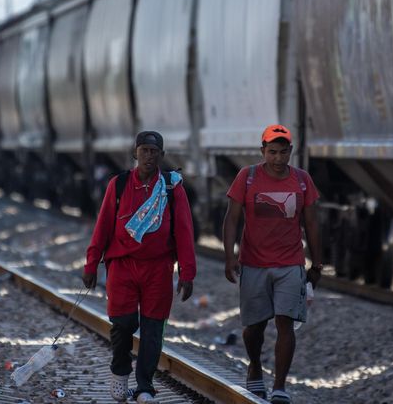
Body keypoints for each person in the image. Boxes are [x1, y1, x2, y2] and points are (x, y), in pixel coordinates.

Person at [83, 131, 196, 404]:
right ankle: (120, 369)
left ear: (162, 156)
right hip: (123, 265)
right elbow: (102, 227)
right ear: (135, 153)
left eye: (154, 152)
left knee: (153, 328)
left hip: (158, 268)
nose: (149, 156)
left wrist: (187, 272)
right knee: (123, 322)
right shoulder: (119, 184)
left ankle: (145, 386)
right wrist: (91, 264)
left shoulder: (171, 188)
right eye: (144, 150)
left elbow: (184, 231)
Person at [222, 124, 323, 404]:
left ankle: (279, 386)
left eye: (283, 152)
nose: (278, 158)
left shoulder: (302, 180)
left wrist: (317, 264)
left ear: (291, 151)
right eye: (272, 152)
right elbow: (231, 218)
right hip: (254, 263)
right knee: (254, 327)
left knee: (285, 323)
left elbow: (312, 223)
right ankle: (255, 366)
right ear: (263, 151)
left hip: (290, 263)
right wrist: (229, 256)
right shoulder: (248, 177)